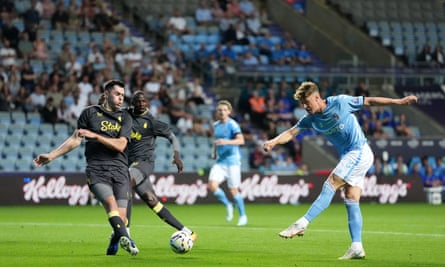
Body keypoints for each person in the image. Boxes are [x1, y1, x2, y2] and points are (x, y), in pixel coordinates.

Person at [263, 81, 417, 260]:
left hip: (358, 150)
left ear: (317, 98)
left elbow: (369, 101)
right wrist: (273, 142)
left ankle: (302, 223)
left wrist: (398, 102)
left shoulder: (341, 102)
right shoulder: (310, 119)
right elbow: (291, 133)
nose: (305, 107)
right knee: (351, 198)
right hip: (350, 155)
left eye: (307, 103)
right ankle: (357, 246)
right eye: (302, 104)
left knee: (331, 183)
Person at [33, 80, 139, 256]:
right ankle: (127, 239)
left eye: (122, 95)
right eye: (117, 94)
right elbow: (76, 139)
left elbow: (121, 145)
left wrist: (95, 136)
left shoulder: (126, 117)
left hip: (120, 170)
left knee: (122, 219)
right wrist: (51, 155)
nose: (121, 98)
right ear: (106, 94)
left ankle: (117, 236)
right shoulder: (89, 113)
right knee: (110, 204)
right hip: (97, 169)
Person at [106, 91, 197, 255]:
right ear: (132, 103)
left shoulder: (152, 122)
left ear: (147, 103)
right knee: (151, 200)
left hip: (144, 163)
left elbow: (173, 137)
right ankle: (187, 231)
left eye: (144, 101)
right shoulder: (125, 114)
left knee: (125, 182)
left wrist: (176, 155)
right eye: (138, 101)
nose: (141, 104)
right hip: (127, 163)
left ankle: (124, 233)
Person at [208, 100, 248, 226]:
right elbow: (216, 141)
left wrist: (227, 142)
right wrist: (214, 152)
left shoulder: (233, 125)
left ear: (229, 112)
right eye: (220, 110)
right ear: (217, 112)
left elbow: (241, 141)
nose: (222, 112)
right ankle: (228, 205)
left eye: (225, 110)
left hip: (233, 162)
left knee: (233, 190)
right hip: (220, 162)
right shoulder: (215, 125)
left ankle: (243, 216)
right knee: (212, 185)